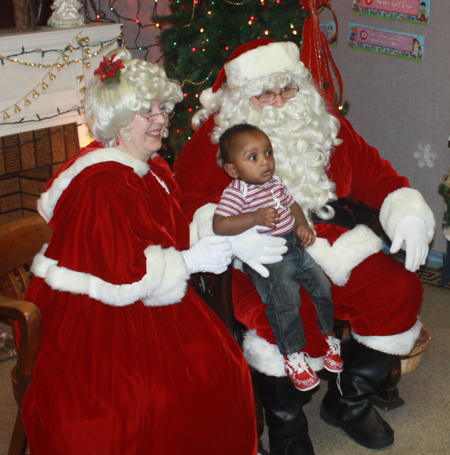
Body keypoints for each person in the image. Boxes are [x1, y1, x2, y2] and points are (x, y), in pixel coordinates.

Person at [174, 39, 435, 454]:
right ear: (242, 98)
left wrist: (406, 211)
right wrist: (231, 233)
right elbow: (187, 200)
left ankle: (347, 400)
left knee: (397, 290)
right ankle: (287, 425)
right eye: (265, 93)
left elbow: (376, 173)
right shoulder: (218, 138)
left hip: (332, 242)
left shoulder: (324, 124)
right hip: (256, 255)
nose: (279, 102)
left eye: (287, 89)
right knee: (282, 314)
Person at [21, 48, 258, 455]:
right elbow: (122, 272)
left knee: (220, 362)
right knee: (145, 401)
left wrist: (206, 238)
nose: (162, 120)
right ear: (118, 122)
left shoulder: (152, 168)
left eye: (163, 109)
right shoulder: (106, 184)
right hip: (101, 312)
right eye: (147, 112)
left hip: (151, 294)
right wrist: (193, 261)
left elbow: (162, 232)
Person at [213, 123, 343, 392]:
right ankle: (293, 354)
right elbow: (220, 225)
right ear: (233, 170)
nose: (265, 162)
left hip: (294, 245)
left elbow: (292, 204)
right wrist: (254, 218)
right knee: (286, 299)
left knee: (322, 286)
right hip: (268, 254)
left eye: (268, 153)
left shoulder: (275, 183)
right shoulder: (237, 193)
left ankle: (328, 337)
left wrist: (302, 224)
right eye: (253, 157)